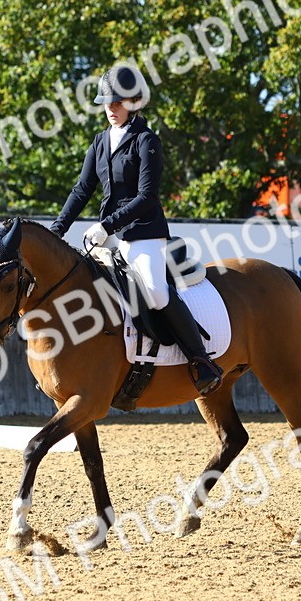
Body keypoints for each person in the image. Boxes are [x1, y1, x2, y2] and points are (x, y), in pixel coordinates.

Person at [50, 66, 223, 396]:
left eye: (118, 103)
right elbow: (81, 189)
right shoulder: (100, 142)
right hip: (110, 237)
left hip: (143, 234)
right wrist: (56, 230)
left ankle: (201, 360)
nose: (111, 109)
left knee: (156, 292)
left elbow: (147, 197)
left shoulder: (147, 141)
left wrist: (106, 225)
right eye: (106, 103)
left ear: (134, 102)